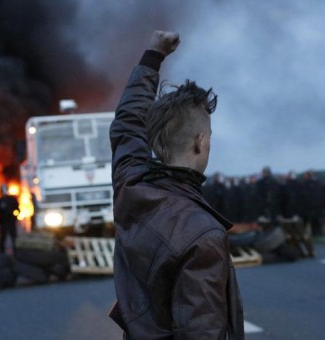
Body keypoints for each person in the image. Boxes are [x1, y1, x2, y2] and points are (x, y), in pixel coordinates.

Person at [108, 31, 244, 339]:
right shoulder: (202, 233)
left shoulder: (131, 185)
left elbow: (127, 125)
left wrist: (153, 54)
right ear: (200, 142)